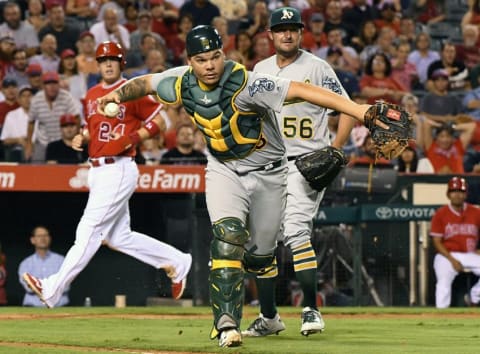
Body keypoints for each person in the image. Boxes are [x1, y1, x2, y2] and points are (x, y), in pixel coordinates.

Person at [95, 25, 385, 348]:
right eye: (202, 59)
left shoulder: (248, 82)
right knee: (228, 235)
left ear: (224, 54)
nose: (210, 65)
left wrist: (360, 111)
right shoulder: (180, 81)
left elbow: (302, 91)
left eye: (215, 57)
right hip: (223, 170)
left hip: (270, 172)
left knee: (261, 255)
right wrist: (117, 94)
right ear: (190, 60)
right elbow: (146, 83)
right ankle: (226, 324)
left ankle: (270, 317)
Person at [22, 41, 192, 309]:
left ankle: (52, 287)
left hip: (119, 167)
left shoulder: (131, 90)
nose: (108, 63)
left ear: (121, 62)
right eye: (103, 60)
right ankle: (178, 261)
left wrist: (131, 137)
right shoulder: (91, 94)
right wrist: (83, 136)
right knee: (118, 237)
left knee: (87, 230)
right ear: (97, 64)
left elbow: (163, 121)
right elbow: (94, 128)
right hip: (97, 169)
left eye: (113, 59)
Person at [242, 6, 355, 338]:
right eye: (281, 29)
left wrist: (336, 147)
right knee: (261, 242)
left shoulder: (317, 68)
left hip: (305, 164)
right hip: (268, 166)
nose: (287, 34)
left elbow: (347, 109)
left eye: (293, 28)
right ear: (271, 35)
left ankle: (311, 309)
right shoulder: (259, 69)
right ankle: (268, 317)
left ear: (301, 33)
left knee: (294, 231)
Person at [430, 177, 480, 308]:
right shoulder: (440, 214)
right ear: (448, 194)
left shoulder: (476, 212)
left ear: (465, 194)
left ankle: (473, 297)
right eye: (454, 191)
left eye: (460, 191)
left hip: (470, 254)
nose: (457, 194)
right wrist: (452, 260)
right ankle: (441, 314)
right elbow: (436, 241)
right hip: (446, 255)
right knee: (443, 283)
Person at [18, 226, 69, 307]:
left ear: (50, 238)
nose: (43, 238)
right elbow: (28, 287)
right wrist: (50, 287)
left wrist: (39, 287)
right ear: (32, 240)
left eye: (46, 235)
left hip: (59, 306)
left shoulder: (61, 260)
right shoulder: (26, 263)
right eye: (39, 236)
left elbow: (66, 285)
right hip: (32, 306)